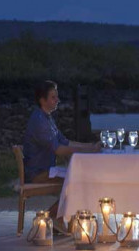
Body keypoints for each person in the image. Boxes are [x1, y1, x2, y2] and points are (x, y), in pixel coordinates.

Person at [23, 80, 100, 230]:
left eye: (56, 96)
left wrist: (90, 146)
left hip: (47, 169)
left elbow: (66, 142)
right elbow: (58, 149)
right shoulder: (39, 121)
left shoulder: (47, 118)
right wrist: (88, 151)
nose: (57, 100)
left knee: (79, 178)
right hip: (38, 173)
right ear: (42, 100)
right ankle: (53, 217)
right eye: (53, 97)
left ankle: (64, 219)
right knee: (78, 180)